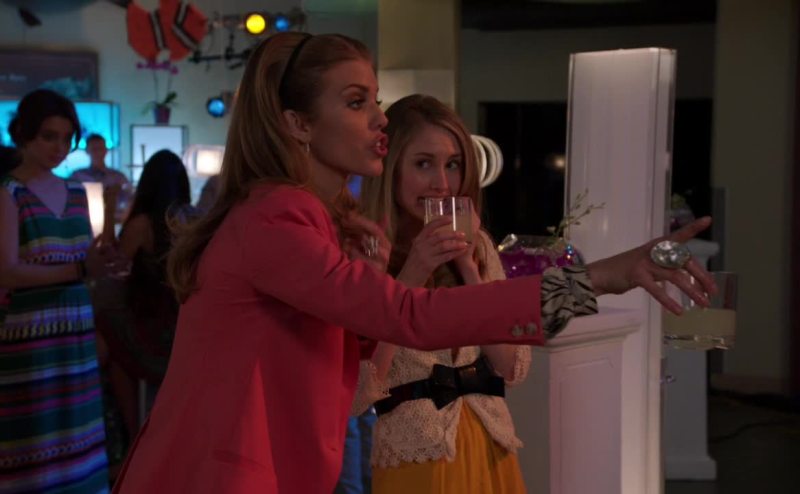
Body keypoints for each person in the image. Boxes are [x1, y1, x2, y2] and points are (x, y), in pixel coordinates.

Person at [112, 33, 715, 494]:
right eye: (356, 103)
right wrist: (602, 277)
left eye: (374, 101)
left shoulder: (317, 220)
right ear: (296, 124)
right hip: (222, 473)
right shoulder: (276, 217)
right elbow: (409, 317)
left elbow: (363, 348)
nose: (380, 119)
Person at [353, 94, 533, 492]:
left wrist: (469, 268)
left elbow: (512, 367)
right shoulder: (366, 251)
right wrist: (412, 274)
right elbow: (359, 393)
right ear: (390, 168)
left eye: (452, 164)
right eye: (423, 164)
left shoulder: (479, 247)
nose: (443, 183)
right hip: (415, 459)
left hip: (492, 446)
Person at [0, 89, 121, 492]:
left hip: (75, 328)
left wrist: (101, 262)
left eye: (66, 138)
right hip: (31, 333)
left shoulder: (74, 193)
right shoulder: (9, 192)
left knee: (77, 433)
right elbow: (7, 272)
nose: (59, 147)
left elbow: (83, 260)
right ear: (24, 134)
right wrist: (80, 268)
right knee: (34, 438)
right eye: (48, 136)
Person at [93, 149, 193, 478]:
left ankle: (135, 436)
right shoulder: (193, 220)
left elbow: (112, 263)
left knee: (110, 337)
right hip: (185, 325)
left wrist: (108, 209)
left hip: (151, 322)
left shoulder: (141, 223)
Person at [70, 133, 132, 222]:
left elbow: (129, 199)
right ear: (87, 151)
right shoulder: (78, 176)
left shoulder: (118, 177)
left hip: (113, 220)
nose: (98, 152)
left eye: (101, 149)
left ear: (106, 150)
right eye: (94, 149)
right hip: (83, 220)